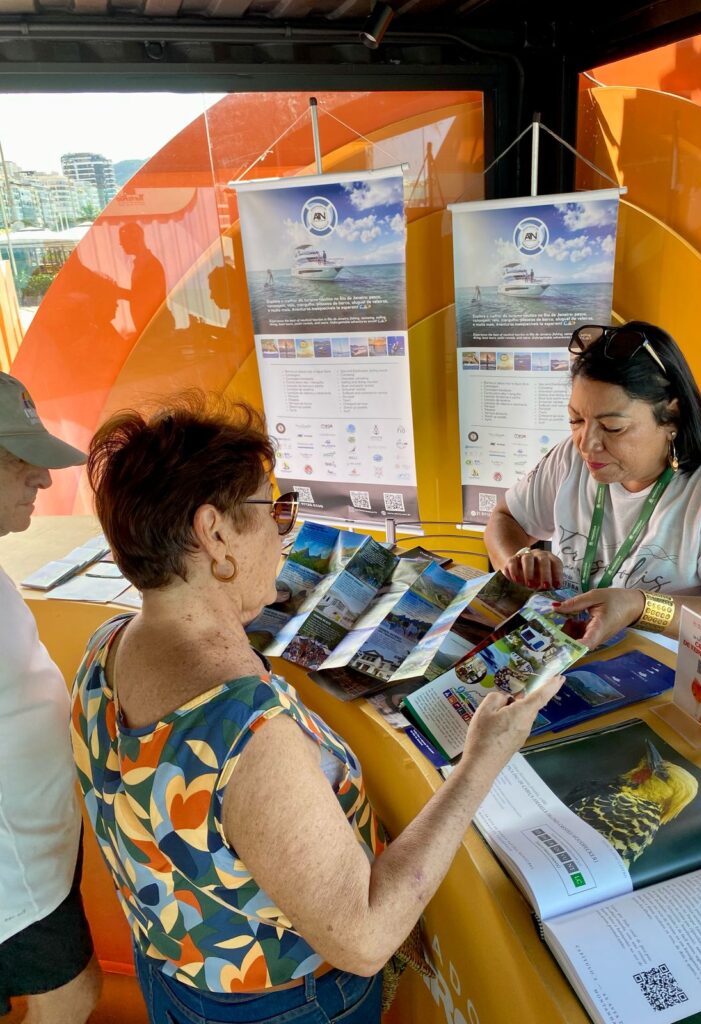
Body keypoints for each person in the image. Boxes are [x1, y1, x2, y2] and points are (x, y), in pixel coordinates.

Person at [70, 393, 561, 1024]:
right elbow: (365, 938)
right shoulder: (250, 733)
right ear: (213, 533)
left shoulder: (105, 649)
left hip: (175, 977)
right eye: (271, 511)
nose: (285, 533)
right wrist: (480, 763)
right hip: (282, 1007)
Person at [484, 321, 701, 686]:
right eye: (576, 420)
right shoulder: (572, 457)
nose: (587, 444)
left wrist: (640, 607)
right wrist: (517, 562)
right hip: (581, 659)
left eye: (612, 428)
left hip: (692, 685)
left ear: (672, 416)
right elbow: (505, 518)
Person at [0, 372, 101, 1021]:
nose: (42, 479)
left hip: (38, 847)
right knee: (72, 996)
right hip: (14, 876)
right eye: (20, 460)